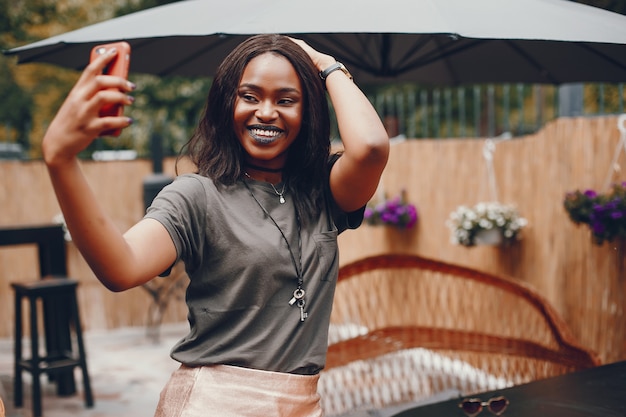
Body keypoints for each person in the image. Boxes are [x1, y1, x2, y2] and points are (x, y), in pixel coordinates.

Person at [42, 34, 389, 416]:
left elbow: (371, 147)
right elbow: (120, 267)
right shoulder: (197, 195)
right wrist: (61, 160)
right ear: (228, 103)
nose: (267, 112)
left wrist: (325, 65)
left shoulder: (322, 191)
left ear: (308, 113)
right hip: (214, 403)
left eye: (286, 100)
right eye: (250, 96)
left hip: (302, 404)